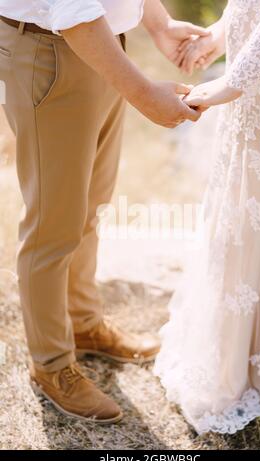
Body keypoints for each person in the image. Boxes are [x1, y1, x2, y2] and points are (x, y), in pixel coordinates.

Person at [0, 0, 205, 424]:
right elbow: (72, 11)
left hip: (102, 44)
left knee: (89, 207)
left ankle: (82, 322)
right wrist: (145, 94)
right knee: (53, 224)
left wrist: (159, 21)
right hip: (52, 48)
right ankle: (52, 365)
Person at [155, 0, 260, 434]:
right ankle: (242, 356)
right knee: (248, 218)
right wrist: (217, 36)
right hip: (253, 101)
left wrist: (227, 86)